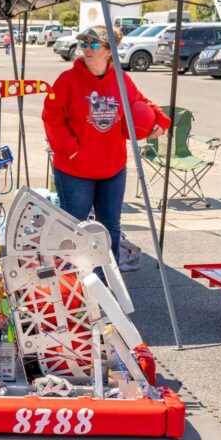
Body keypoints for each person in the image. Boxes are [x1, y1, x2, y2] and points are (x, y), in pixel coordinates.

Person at [42, 25, 169, 264]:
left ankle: (109, 280)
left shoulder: (122, 79)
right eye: (84, 43)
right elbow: (52, 117)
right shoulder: (66, 80)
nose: (87, 49)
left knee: (110, 227)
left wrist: (161, 121)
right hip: (75, 169)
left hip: (112, 167)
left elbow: (140, 102)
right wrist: (71, 151)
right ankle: (72, 279)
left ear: (109, 50)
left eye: (94, 44)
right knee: (75, 226)